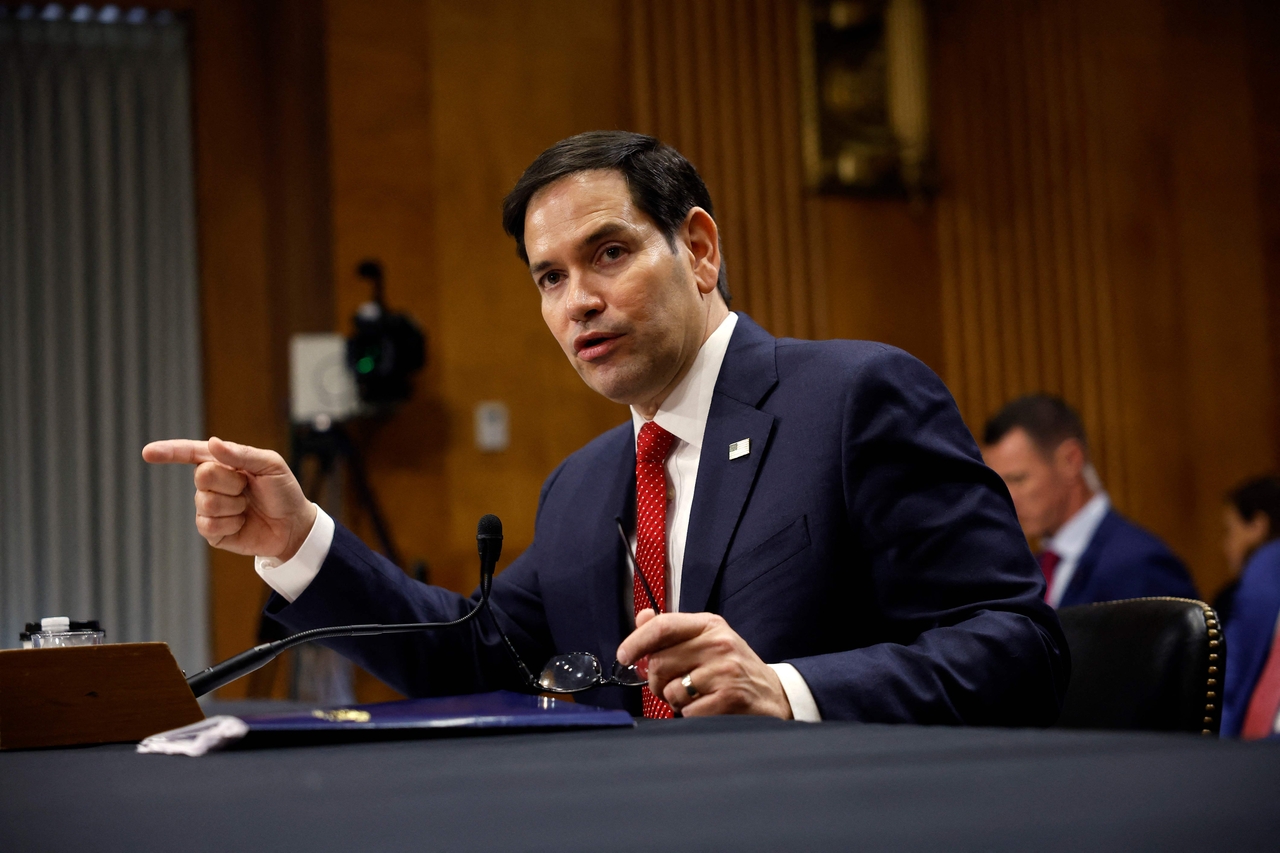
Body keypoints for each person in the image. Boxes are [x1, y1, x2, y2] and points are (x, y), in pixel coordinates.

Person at [145, 131, 1068, 723]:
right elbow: (471, 652)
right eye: (549, 277)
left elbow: (1019, 645)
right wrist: (300, 539)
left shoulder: (856, 397)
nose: (578, 301)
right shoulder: (587, 484)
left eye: (610, 253)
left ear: (698, 249)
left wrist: (789, 690)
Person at [982, 394, 1197, 608]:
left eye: (1018, 479)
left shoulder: (1139, 564)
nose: (1006, 498)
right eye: (999, 484)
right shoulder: (1034, 570)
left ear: (1071, 460)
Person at [1219, 476, 1280, 737]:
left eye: (1229, 531)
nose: (1224, 546)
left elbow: (1229, 684)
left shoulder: (1264, 570)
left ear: (1258, 525)